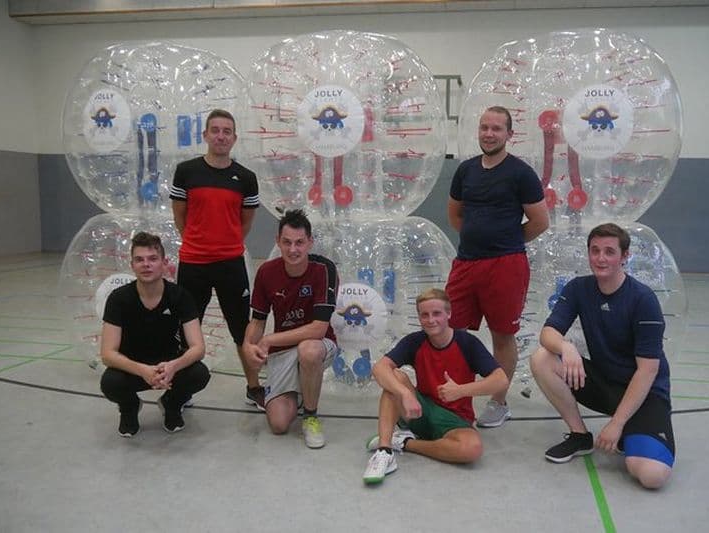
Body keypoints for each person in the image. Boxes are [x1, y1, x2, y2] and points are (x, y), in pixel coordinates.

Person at [530, 223, 675, 489]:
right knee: (543, 358)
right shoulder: (578, 288)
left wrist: (617, 424)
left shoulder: (643, 300)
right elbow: (548, 332)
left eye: (609, 251)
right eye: (594, 251)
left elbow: (648, 371)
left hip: (644, 393)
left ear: (625, 256)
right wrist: (567, 347)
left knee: (651, 475)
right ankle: (580, 435)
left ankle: (629, 430)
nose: (600, 258)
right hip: (605, 382)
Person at [446, 105, 549, 427]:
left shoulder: (521, 173)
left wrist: (505, 240)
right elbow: (455, 215)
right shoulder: (465, 170)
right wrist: (478, 238)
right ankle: (455, 397)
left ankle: (498, 401)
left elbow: (540, 221)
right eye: (484, 127)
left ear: (509, 134)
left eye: (496, 129)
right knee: (451, 332)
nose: (489, 134)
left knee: (502, 335)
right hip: (466, 263)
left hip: (506, 266)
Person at [362, 288, 508, 485]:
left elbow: (501, 380)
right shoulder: (415, 341)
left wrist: (461, 390)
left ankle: (405, 443)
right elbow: (380, 368)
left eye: (437, 313)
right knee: (394, 377)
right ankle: (384, 451)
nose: (431, 320)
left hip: (455, 420)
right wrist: (404, 393)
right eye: (425, 315)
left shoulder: (467, 343)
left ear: (449, 314)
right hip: (420, 410)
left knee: (472, 449)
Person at [170, 109, 261, 410]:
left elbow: (245, 223)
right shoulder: (186, 171)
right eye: (215, 130)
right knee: (186, 328)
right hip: (193, 264)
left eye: (227, 131)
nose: (221, 136)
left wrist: (225, 243)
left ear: (234, 138)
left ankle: (253, 387)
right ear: (205, 135)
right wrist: (199, 243)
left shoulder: (246, 178)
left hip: (231, 264)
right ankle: (182, 391)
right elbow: (180, 217)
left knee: (241, 328)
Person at [242, 209, 339, 449]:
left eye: (299, 243)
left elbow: (318, 328)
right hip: (284, 351)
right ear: (278, 242)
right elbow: (257, 321)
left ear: (310, 243)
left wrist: (270, 339)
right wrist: (248, 346)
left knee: (308, 351)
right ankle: (297, 391)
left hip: (319, 345)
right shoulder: (266, 272)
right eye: (287, 242)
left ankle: (310, 416)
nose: (293, 249)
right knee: (278, 424)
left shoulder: (324, 269)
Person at [100, 232, 210, 437]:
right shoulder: (118, 299)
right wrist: (142, 370)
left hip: (168, 367)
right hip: (134, 368)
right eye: (139, 259)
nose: (146, 265)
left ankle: (171, 403)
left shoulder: (180, 296)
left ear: (164, 263)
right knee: (110, 383)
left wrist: (173, 366)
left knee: (199, 374)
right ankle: (129, 407)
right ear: (131, 264)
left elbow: (198, 348)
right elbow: (108, 353)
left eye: (153, 259)